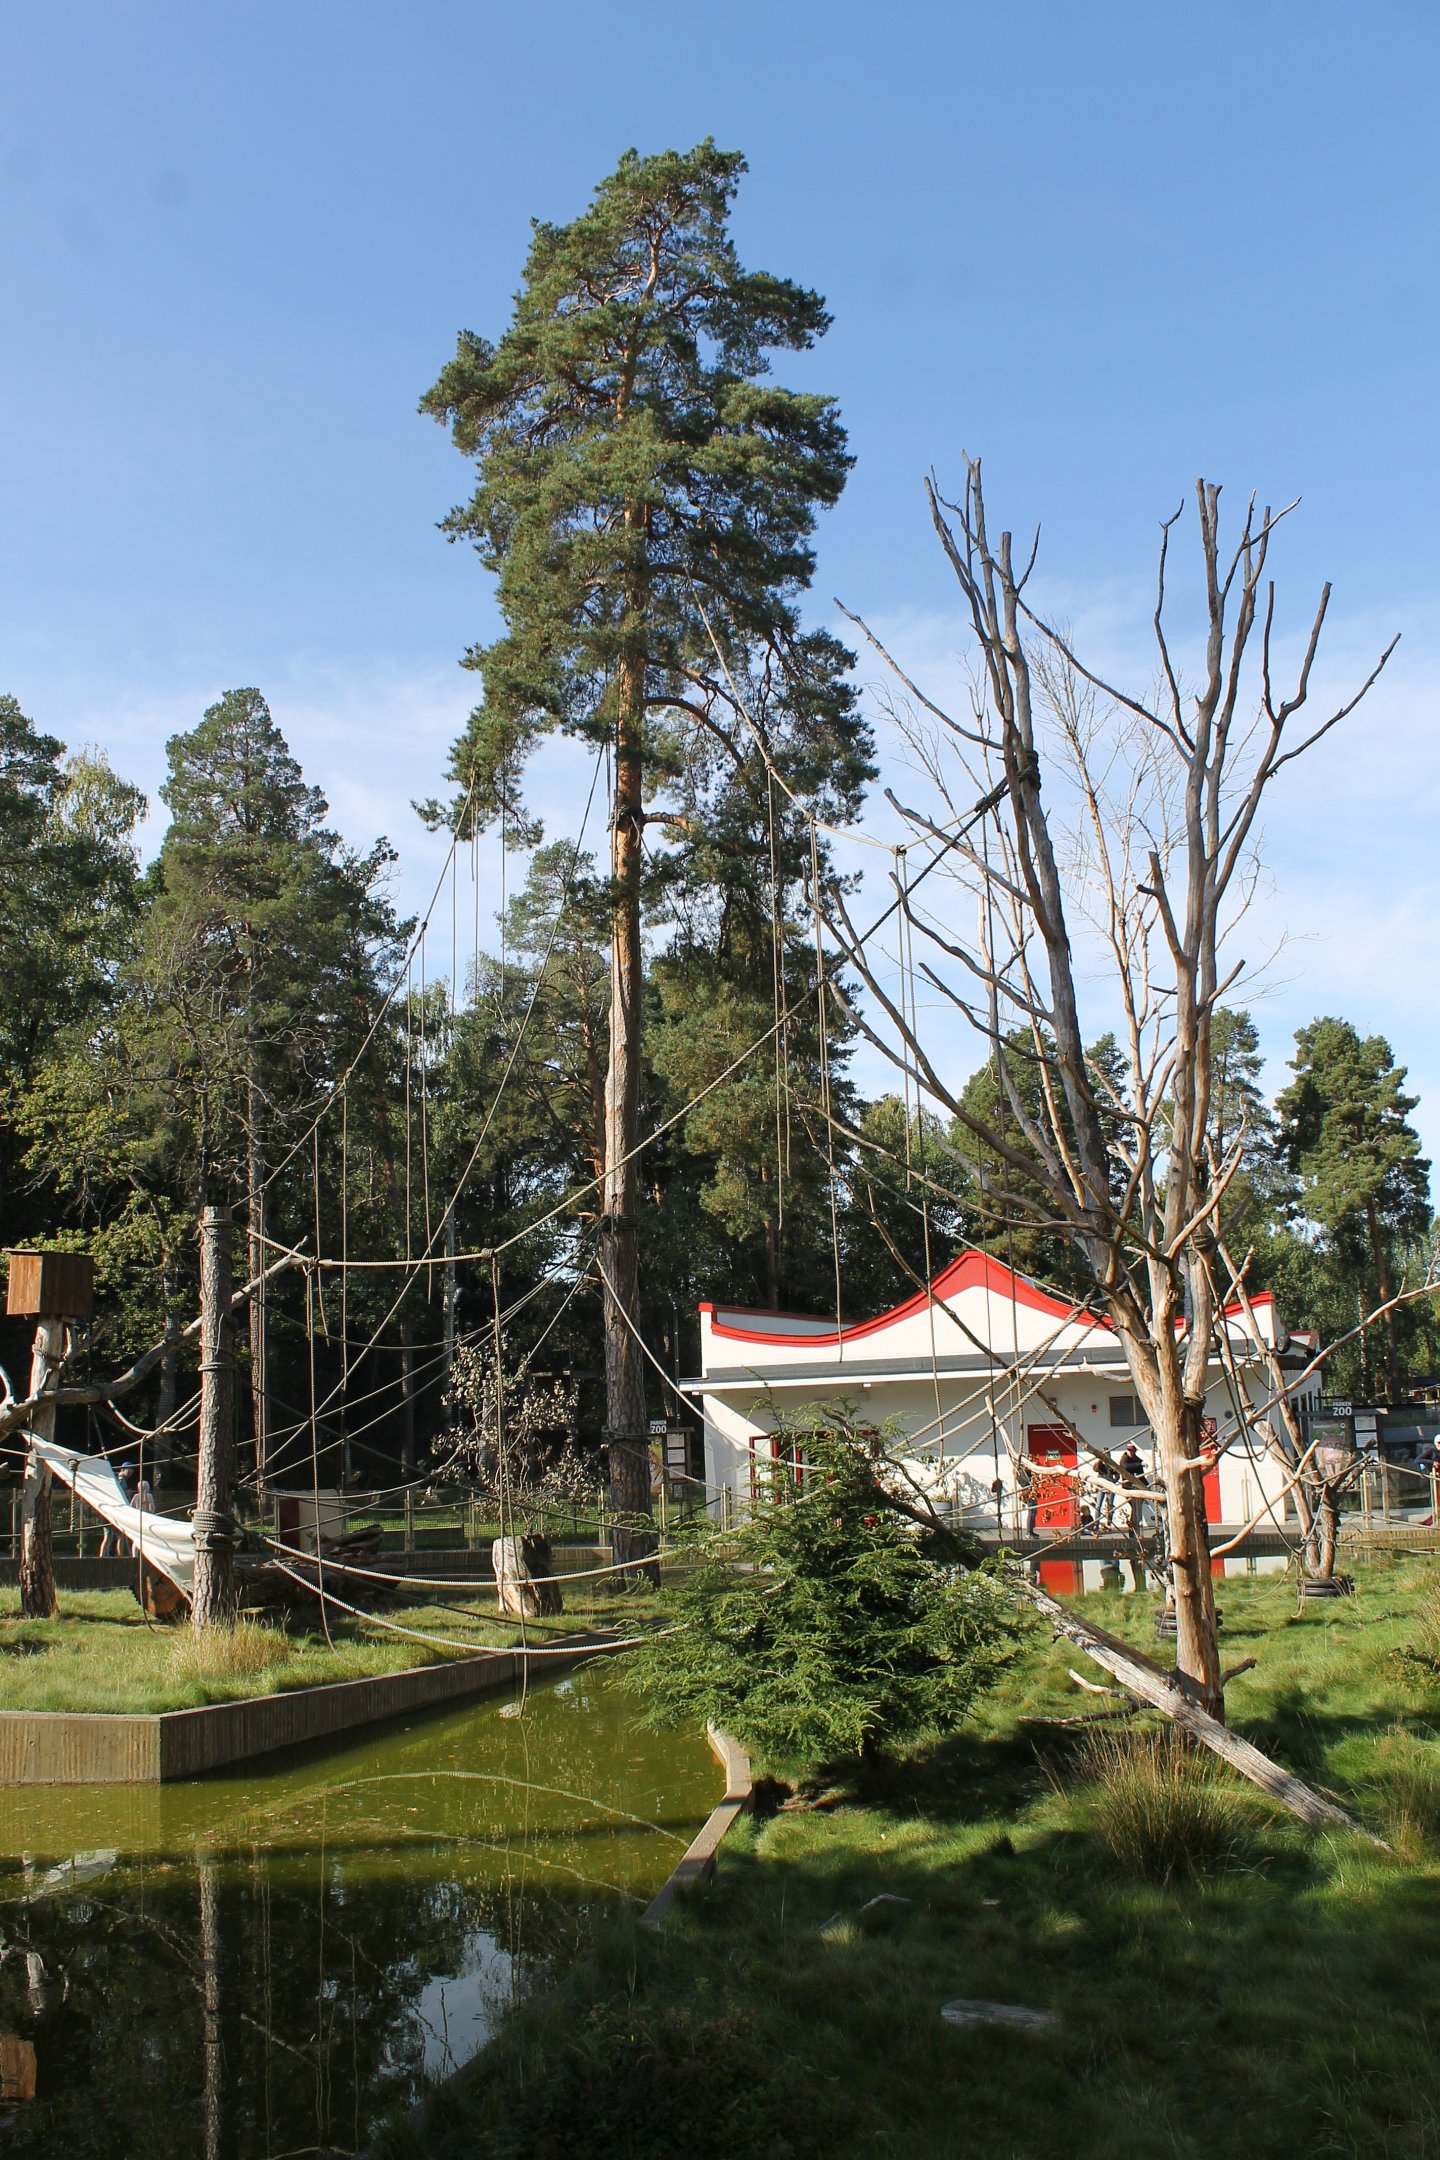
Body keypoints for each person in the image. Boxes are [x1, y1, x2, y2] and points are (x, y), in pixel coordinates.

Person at [99, 1463, 137, 1558]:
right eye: (129, 1471)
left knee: (111, 1535)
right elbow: (117, 1492)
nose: (130, 1473)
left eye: (132, 1471)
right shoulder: (121, 1479)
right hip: (114, 1511)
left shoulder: (118, 1479)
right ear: (122, 1469)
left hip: (107, 1510)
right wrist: (127, 1492)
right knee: (119, 1534)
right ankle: (119, 1556)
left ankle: (102, 1556)